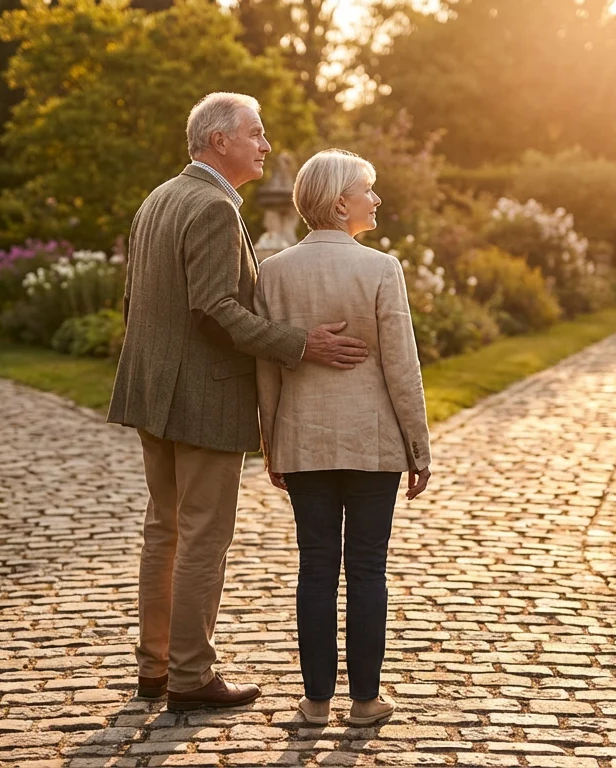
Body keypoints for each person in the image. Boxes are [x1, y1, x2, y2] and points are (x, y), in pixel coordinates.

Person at [107, 94, 370, 712]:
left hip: (153, 394)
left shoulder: (160, 198)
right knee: (200, 537)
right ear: (219, 140)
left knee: (164, 531)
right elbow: (216, 309)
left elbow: (134, 303)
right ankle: (191, 677)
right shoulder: (213, 208)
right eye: (255, 133)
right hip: (201, 400)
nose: (266, 145)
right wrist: (299, 343)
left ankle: (155, 667)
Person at [254, 149, 433, 727]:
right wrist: (418, 448)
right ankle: (365, 701)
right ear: (340, 203)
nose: (376, 199)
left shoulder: (274, 272)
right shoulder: (382, 270)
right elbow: (402, 369)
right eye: (368, 190)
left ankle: (314, 702)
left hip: (303, 441)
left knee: (315, 567)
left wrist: (272, 443)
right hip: (372, 443)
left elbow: (268, 368)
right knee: (367, 568)